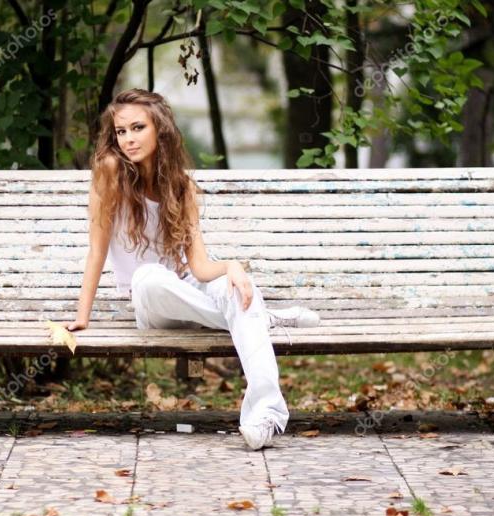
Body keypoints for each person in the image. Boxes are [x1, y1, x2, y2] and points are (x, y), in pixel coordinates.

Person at [64, 88, 320, 450]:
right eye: (121, 131)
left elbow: (199, 269)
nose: (128, 139)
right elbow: (97, 249)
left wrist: (233, 267)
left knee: (236, 289)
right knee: (148, 277)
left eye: (138, 128)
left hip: (189, 287)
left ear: (160, 129)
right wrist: (82, 317)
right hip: (153, 300)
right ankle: (258, 317)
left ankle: (267, 415)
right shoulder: (110, 171)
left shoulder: (180, 185)